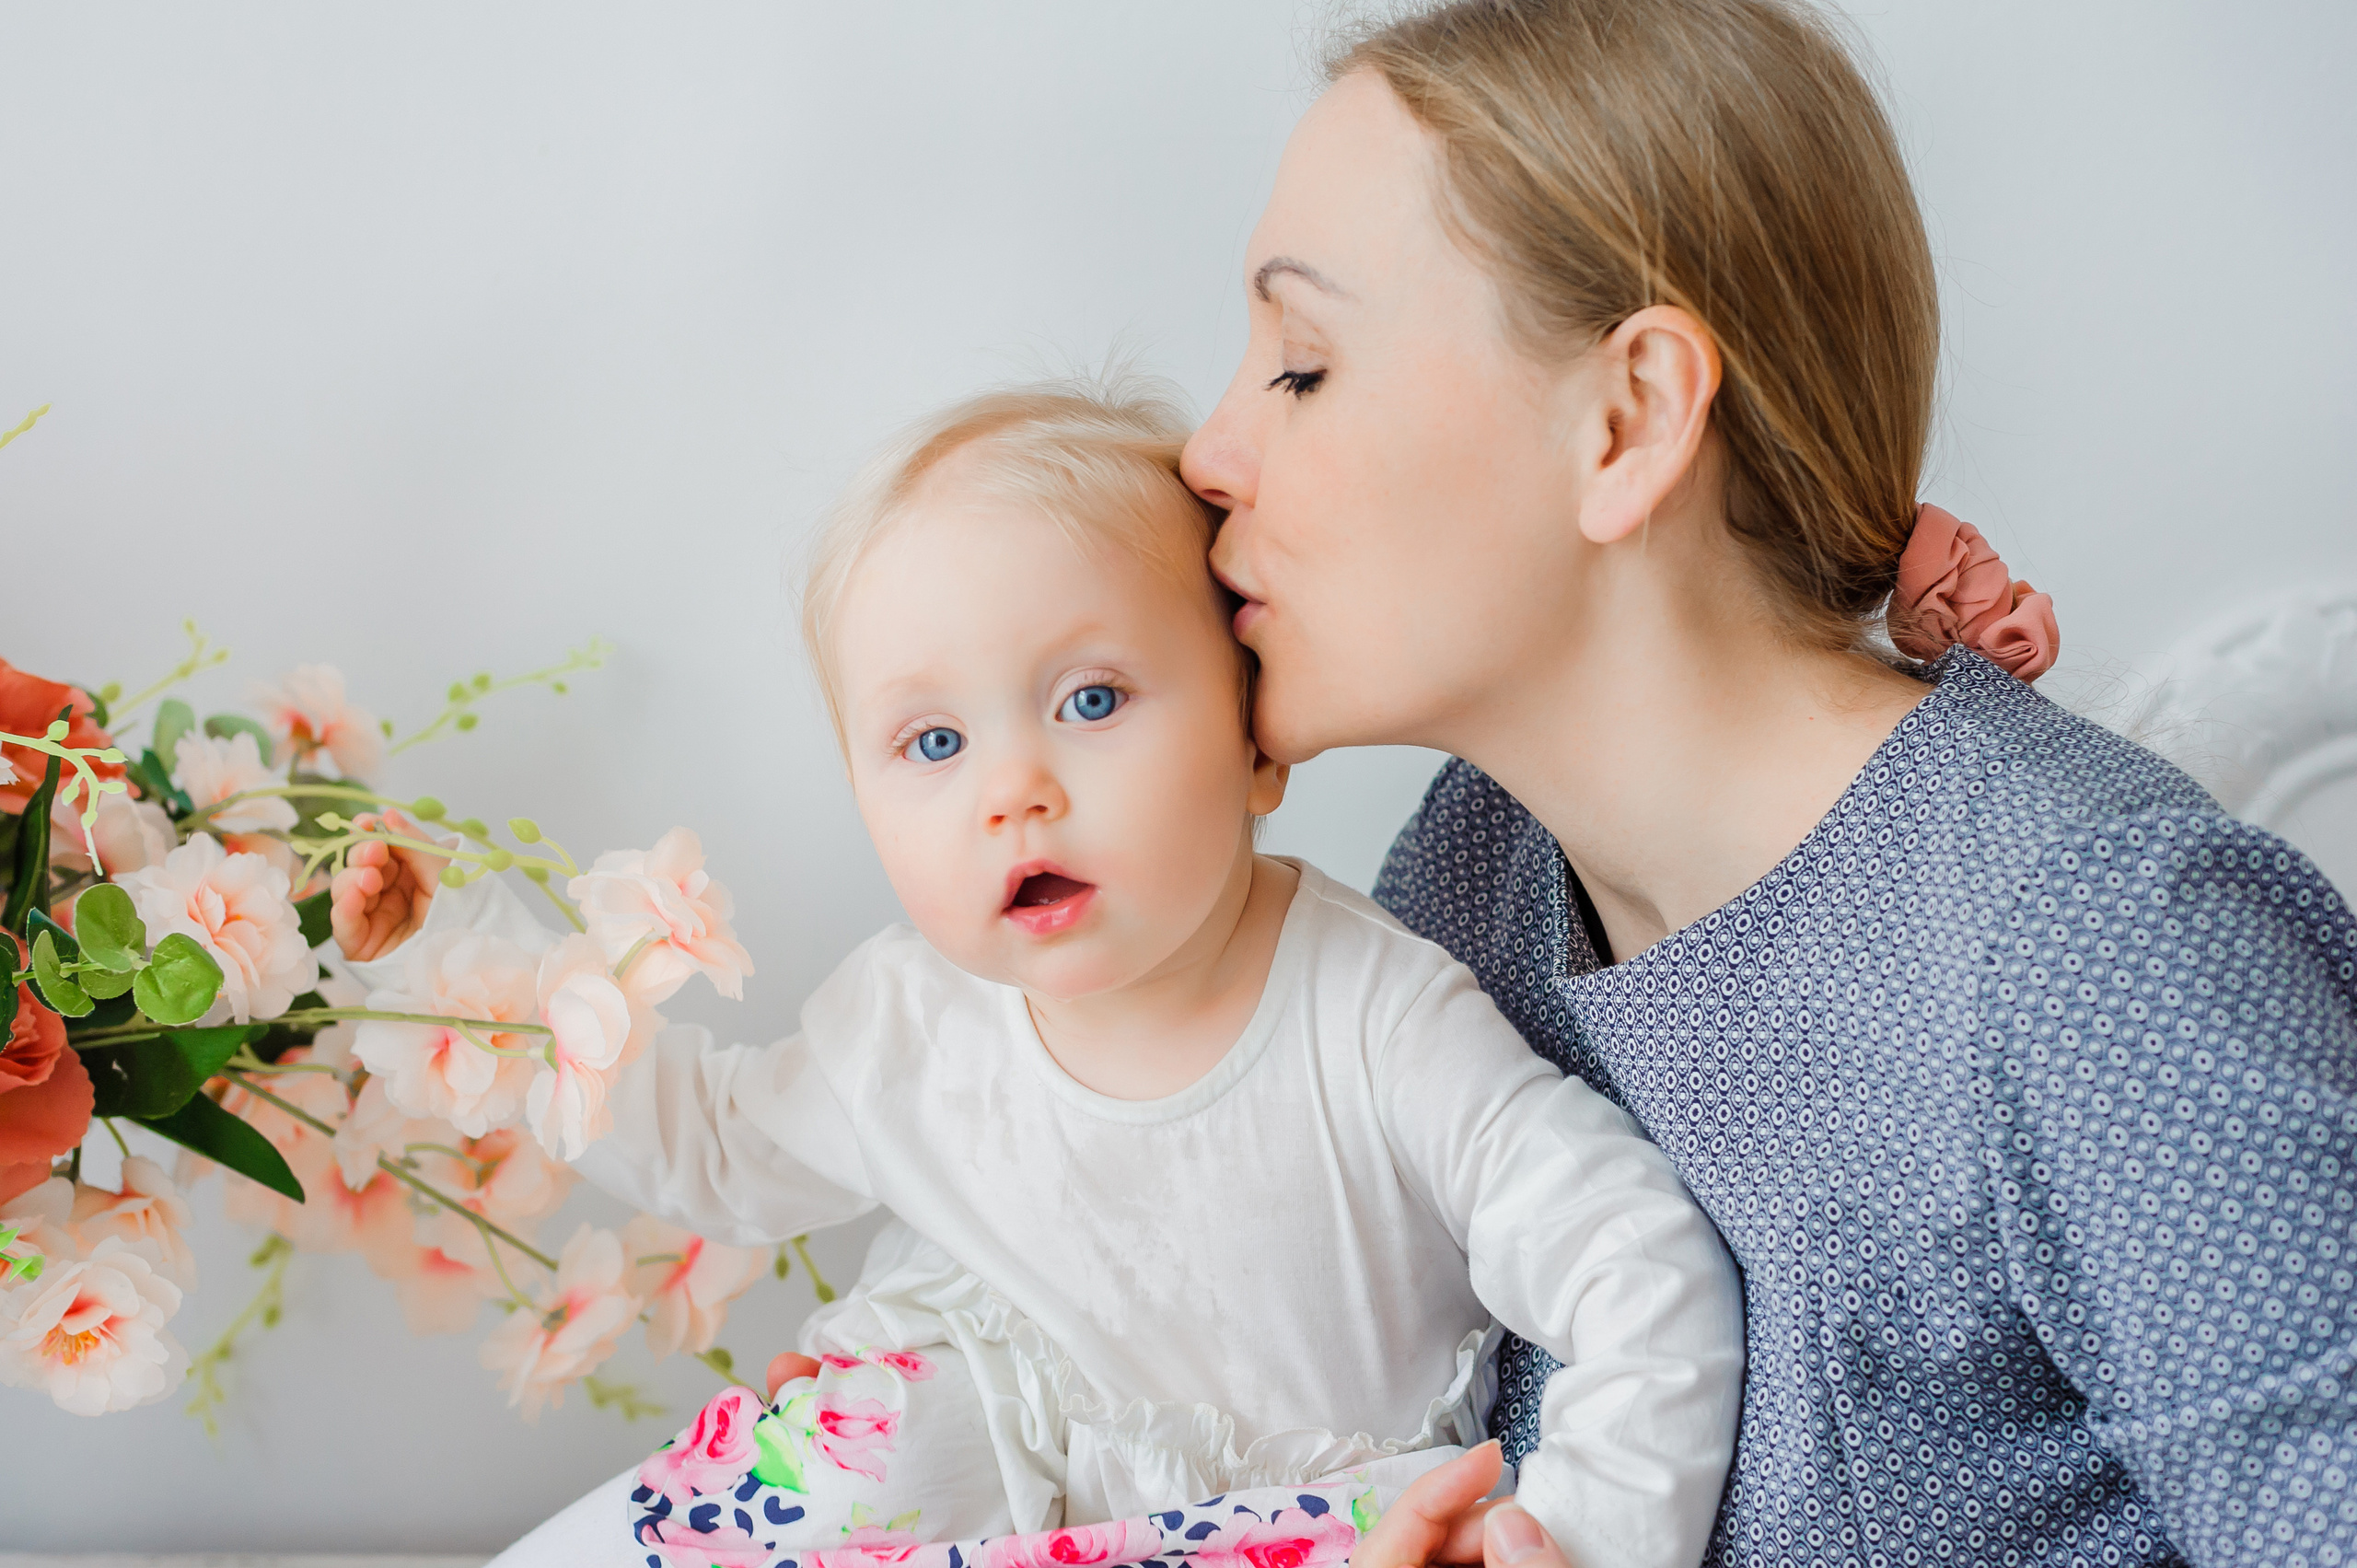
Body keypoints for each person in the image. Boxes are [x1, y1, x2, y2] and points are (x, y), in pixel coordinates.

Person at [1178, 3, 2357, 1566]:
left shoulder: (2100, 945)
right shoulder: (1475, 875)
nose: (1207, 450)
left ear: (1631, 417)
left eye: (1304, 365)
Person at [488, 379, 1744, 1568]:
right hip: (978, 1469)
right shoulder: (912, 1023)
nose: (1011, 790)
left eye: (1091, 699)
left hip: (1282, 1525)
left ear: (1259, 742)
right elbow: (711, 1149)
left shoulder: (1375, 1020)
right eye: (932, 740)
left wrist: (1580, 1534)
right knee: (849, 1454)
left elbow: (1635, 1261)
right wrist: (464, 973)